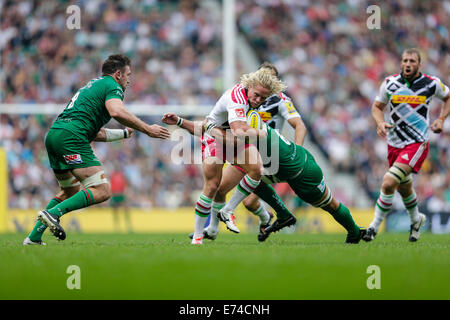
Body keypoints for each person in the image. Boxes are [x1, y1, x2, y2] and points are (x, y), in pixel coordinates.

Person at [22, 54, 170, 245]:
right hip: (71, 138)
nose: (129, 79)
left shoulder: (93, 85)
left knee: (69, 192)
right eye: (128, 74)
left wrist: (124, 134)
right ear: (118, 74)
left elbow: (94, 133)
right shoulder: (112, 86)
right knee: (102, 190)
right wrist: (148, 129)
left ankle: (33, 238)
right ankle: (52, 214)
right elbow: (116, 111)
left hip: (55, 135)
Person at [163, 112, 366, 244]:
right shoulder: (239, 113)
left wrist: (209, 131)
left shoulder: (255, 121)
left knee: (329, 204)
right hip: (272, 166)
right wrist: (181, 122)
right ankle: (273, 215)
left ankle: (355, 232)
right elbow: (207, 127)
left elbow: (229, 136)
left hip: (300, 170)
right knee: (250, 180)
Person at [164, 68, 286, 244]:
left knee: (255, 169)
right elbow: (236, 130)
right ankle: (198, 236)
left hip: (230, 137)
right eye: (256, 95)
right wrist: (260, 133)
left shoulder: (253, 102)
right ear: (249, 85)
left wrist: (181, 122)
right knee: (213, 186)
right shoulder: (238, 98)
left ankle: (225, 214)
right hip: (216, 138)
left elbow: (231, 132)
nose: (258, 100)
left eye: (262, 98)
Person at [200, 62, 308, 240]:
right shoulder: (246, 97)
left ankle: (279, 216)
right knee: (222, 190)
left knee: (249, 200)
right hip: (246, 149)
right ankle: (214, 229)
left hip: (268, 155)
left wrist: (298, 152)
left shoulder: (280, 100)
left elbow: (300, 126)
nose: (264, 80)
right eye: (261, 76)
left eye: (269, 77)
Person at [363, 48, 450, 242]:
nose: (408, 64)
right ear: (401, 63)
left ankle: (373, 227)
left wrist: (442, 119)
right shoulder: (389, 83)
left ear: (419, 65)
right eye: (405, 61)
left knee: (388, 182)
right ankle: (416, 219)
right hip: (394, 144)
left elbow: (448, 96)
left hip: (416, 143)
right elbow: (377, 107)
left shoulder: (431, 83)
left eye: (412, 61)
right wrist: (379, 123)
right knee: (404, 188)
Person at [110, 169, 132, 233]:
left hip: (121, 194)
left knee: (126, 210)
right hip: (115, 194)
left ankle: (128, 226)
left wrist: (126, 191)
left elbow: (126, 183)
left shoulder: (122, 175)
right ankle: (117, 227)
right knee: (116, 212)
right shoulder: (113, 175)